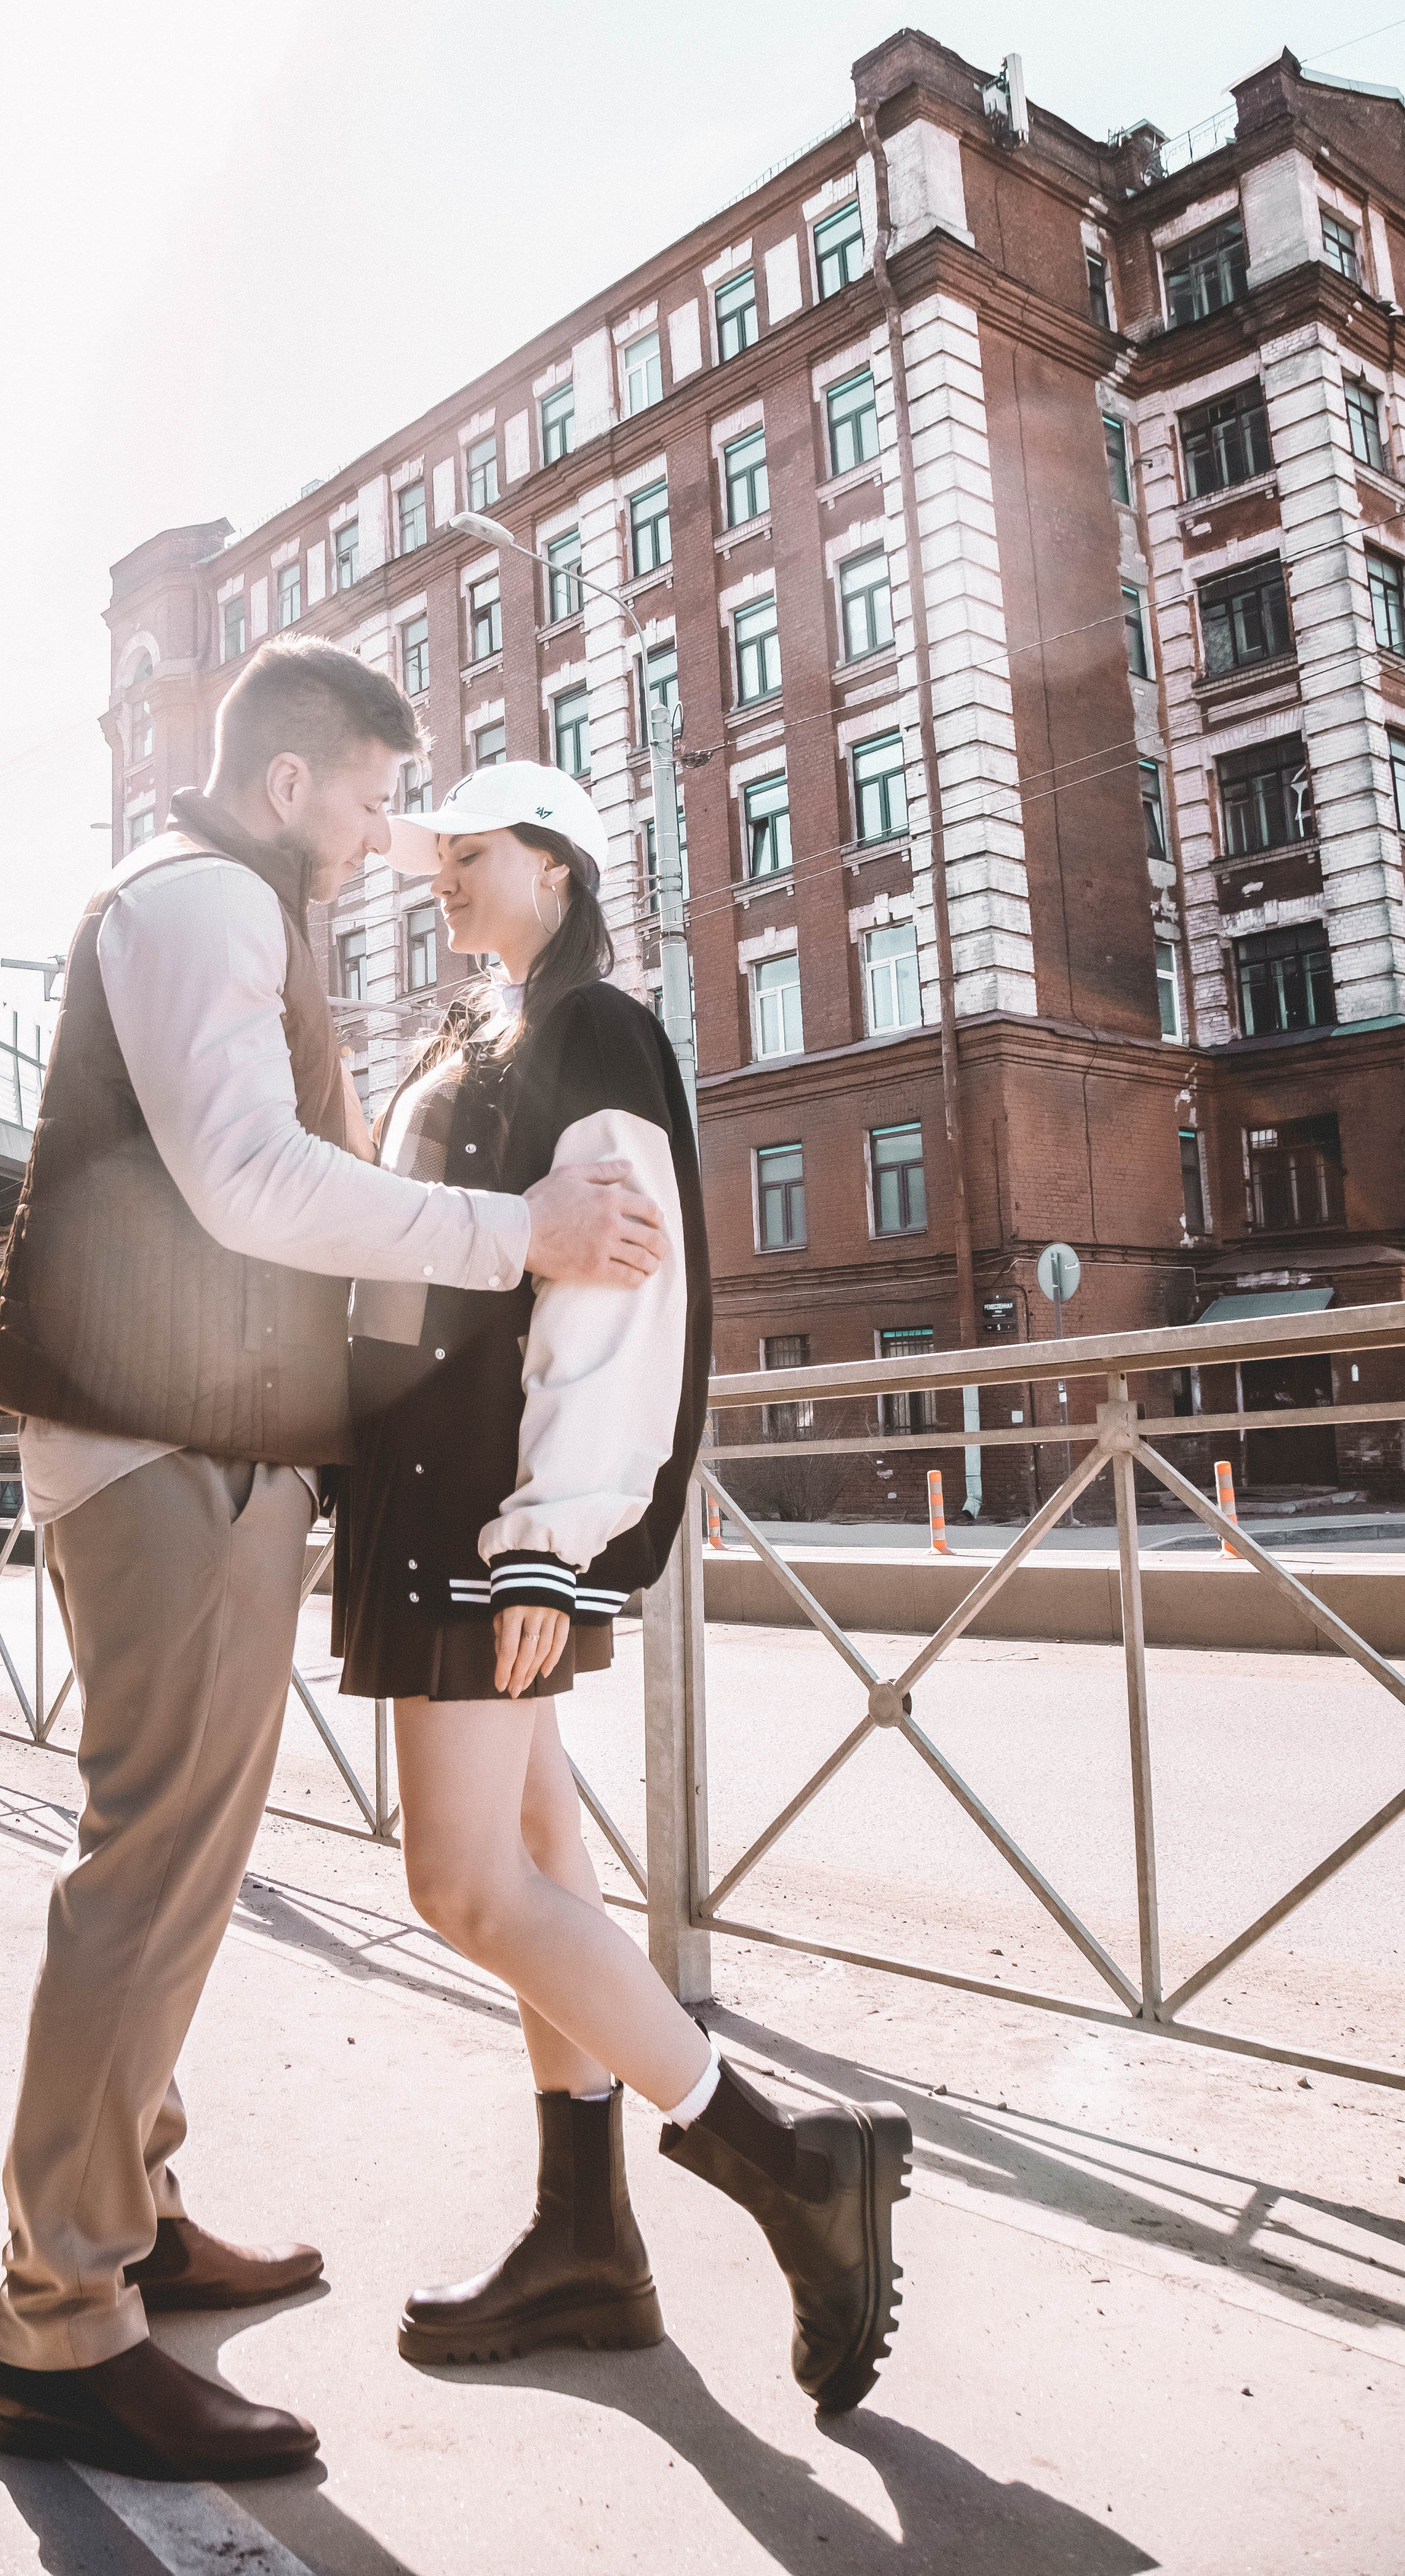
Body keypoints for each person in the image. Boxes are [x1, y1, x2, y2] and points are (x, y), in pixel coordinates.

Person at [0, 639, 667, 2483]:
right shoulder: (204, 899)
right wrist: (516, 1230)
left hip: (187, 1437)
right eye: (368, 806)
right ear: (291, 784)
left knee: (168, 1855)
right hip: (164, 1442)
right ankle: (65, 2324)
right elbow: (249, 1180)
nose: (378, 845)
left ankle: (132, 2210)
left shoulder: (206, 900)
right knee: (154, 1867)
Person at [334, 760, 911, 2416]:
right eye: (433, 846)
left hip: (486, 1514)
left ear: (561, 865)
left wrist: (549, 1535)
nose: (441, 870)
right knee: (531, 1871)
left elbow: (621, 1303)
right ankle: (585, 2239)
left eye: (474, 847)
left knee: (458, 1886)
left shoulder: (589, 1031)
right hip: (431, 1497)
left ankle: (786, 2161)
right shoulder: (479, 1034)